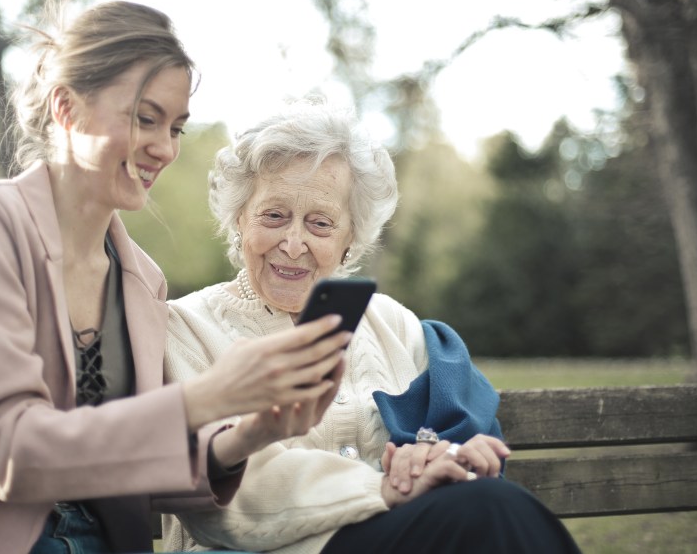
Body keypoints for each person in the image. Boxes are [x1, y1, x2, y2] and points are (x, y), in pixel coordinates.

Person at [0, 2, 349, 554]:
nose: (165, 149)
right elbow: (8, 453)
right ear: (67, 108)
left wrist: (248, 434)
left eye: (175, 128)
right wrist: (206, 396)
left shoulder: (142, 280)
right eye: (145, 119)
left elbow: (132, 467)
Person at [163, 100, 582, 553]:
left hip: (408, 538)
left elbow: (451, 438)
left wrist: (434, 458)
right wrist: (382, 489)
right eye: (274, 216)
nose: (293, 242)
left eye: (320, 223)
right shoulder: (184, 328)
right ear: (240, 218)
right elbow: (224, 493)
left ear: (350, 239)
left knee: (492, 505)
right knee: (494, 510)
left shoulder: (396, 325)